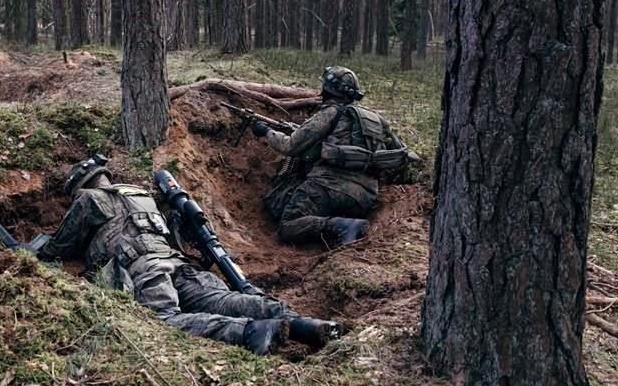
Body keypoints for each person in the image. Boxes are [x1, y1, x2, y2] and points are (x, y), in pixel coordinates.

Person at [33, 156, 340, 355]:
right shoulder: (142, 196)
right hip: (178, 263)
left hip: (144, 270)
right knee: (222, 300)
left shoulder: (89, 200)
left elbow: (56, 250)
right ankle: (302, 324)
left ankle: (252, 332)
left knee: (164, 318)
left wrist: (28, 249)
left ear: (80, 187)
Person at [253, 66, 417, 247]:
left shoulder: (329, 113)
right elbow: (400, 153)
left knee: (288, 226)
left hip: (327, 188)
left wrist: (267, 132)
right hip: (365, 197)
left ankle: (340, 226)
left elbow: (290, 146)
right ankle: (342, 223)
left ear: (327, 89)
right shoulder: (376, 119)